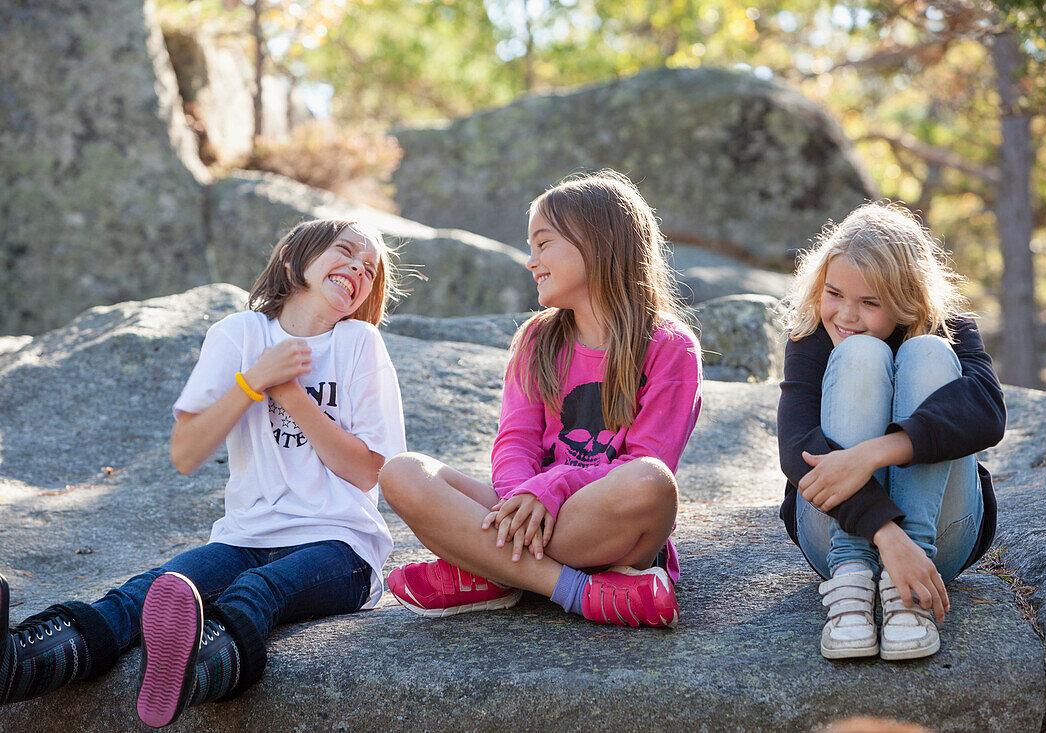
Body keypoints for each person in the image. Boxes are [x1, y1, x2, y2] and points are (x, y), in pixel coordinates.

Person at [0, 218, 406, 727]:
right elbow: (187, 451)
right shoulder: (238, 335)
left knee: (259, 591)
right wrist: (254, 380)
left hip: (341, 546)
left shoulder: (359, 344)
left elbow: (366, 472)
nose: (357, 270)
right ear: (292, 259)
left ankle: (192, 675)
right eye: (345, 252)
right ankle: (15, 665)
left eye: (370, 270)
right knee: (144, 593)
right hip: (244, 536)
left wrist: (291, 395)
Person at [381, 170, 702, 628]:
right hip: (531, 510)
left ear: (598, 242)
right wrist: (521, 503)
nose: (531, 261)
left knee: (650, 481)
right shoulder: (538, 340)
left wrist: (549, 491)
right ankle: (577, 591)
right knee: (403, 473)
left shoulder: (670, 346)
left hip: (601, 524)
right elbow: (515, 444)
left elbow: (647, 460)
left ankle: (491, 572)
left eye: (543, 243)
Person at [776, 202, 1005, 660]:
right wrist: (886, 533)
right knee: (860, 355)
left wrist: (872, 454)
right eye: (834, 293)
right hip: (836, 543)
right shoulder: (810, 335)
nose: (844, 315)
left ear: (907, 300)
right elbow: (797, 449)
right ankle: (852, 590)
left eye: (870, 303)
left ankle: (909, 603)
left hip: (940, 539)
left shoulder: (947, 324)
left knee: (928, 354)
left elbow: (988, 411)